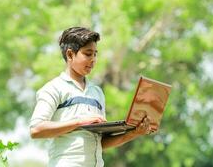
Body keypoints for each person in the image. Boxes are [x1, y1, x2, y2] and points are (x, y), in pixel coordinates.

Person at [30, 27, 152, 167]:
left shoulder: (97, 93)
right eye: (88, 54)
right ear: (70, 55)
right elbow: (36, 129)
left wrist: (134, 133)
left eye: (95, 54)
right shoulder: (54, 88)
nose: (93, 60)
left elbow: (100, 143)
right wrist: (80, 122)